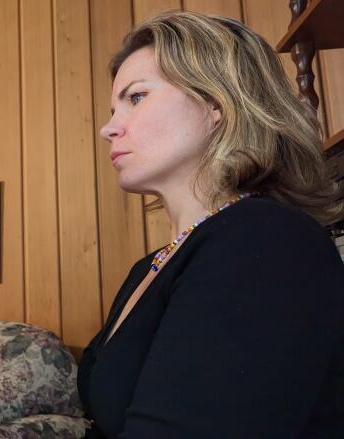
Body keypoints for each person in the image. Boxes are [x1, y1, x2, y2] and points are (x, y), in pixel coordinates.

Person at [78, 11, 344, 438]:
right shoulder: (149, 268)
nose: (109, 128)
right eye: (113, 107)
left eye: (137, 97)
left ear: (217, 103)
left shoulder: (266, 241)